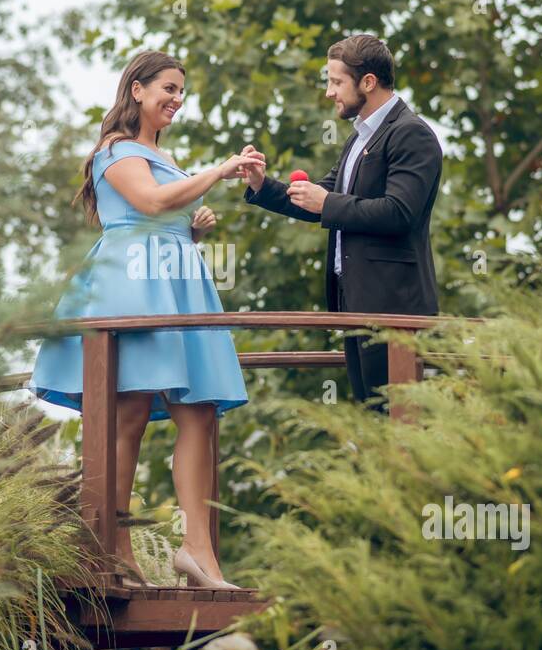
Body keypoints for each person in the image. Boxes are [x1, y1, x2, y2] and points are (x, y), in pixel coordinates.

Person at [29, 51, 257, 589]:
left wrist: (192, 231)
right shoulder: (115, 149)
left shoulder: (163, 153)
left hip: (178, 280)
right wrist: (220, 171)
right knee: (126, 416)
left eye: (182, 91)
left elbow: (165, 213)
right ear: (137, 89)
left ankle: (198, 553)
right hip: (132, 282)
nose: (176, 99)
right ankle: (112, 551)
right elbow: (149, 204)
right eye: (168, 88)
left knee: (200, 414)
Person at [239, 34, 442, 411]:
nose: (330, 92)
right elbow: (319, 199)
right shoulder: (360, 138)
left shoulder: (411, 134)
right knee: (374, 423)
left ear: (368, 82)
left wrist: (328, 202)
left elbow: (399, 213)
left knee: (400, 427)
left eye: (336, 82)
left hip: (394, 311)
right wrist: (261, 185)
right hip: (357, 307)